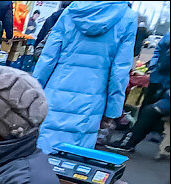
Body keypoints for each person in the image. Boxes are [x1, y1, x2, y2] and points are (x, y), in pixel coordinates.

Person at [33, 1, 137, 153]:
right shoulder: (127, 17)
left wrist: (33, 93)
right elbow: (119, 71)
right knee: (72, 161)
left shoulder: (73, 10)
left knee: (42, 148)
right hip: (92, 99)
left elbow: (48, 57)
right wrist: (112, 111)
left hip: (55, 91)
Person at [108, 33, 170, 153]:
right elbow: (158, 52)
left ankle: (129, 142)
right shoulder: (167, 37)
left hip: (165, 86)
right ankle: (132, 140)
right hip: (160, 80)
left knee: (151, 111)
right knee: (146, 108)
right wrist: (153, 66)